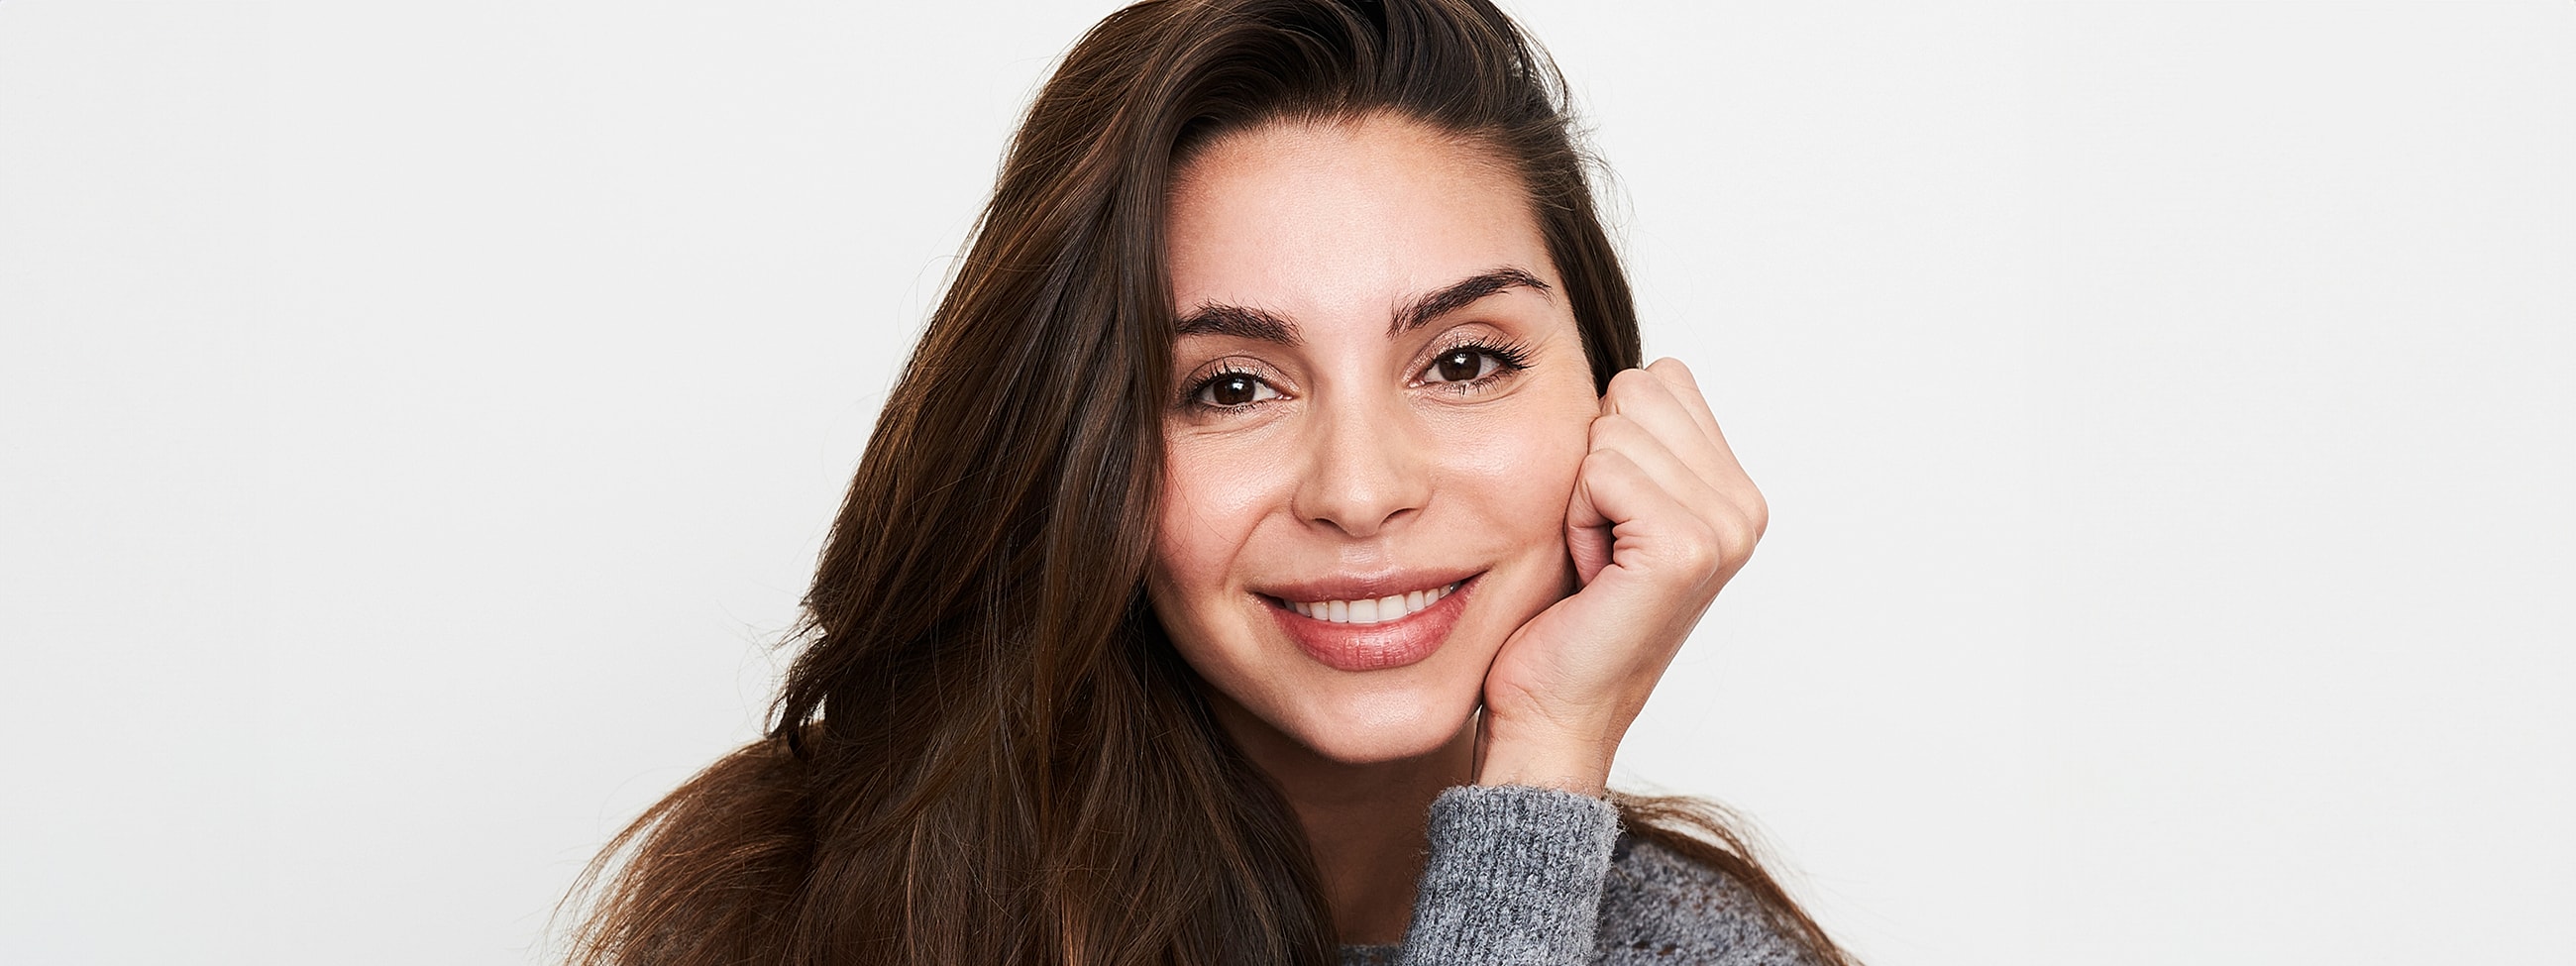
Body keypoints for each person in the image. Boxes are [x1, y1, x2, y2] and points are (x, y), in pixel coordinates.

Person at [563, 1, 1858, 963]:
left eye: (1463, 361)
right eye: (1231, 386)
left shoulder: (1697, 951)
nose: (1360, 490)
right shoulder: (818, 913)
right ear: (1080, 447)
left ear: (1612, 405)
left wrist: (1546, 763)